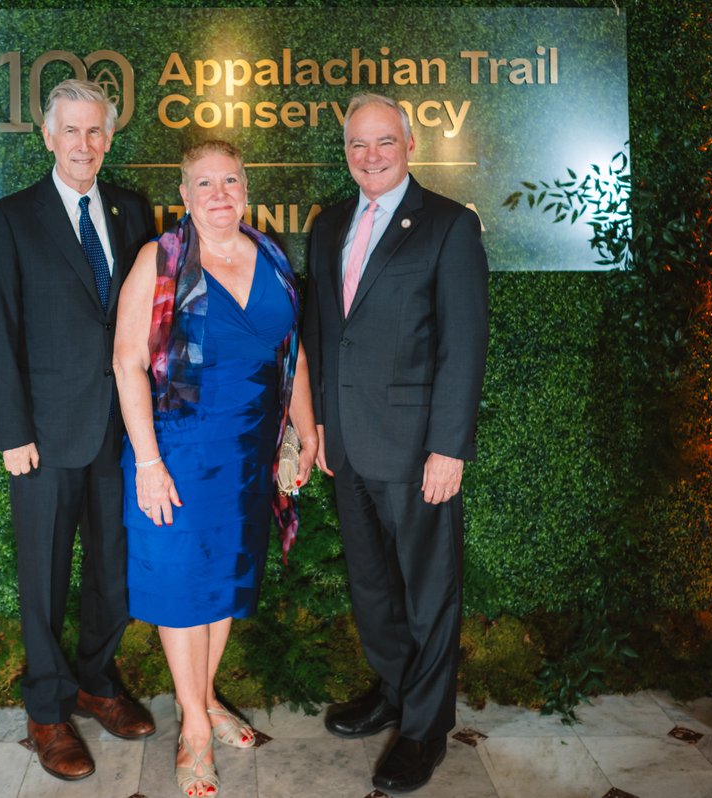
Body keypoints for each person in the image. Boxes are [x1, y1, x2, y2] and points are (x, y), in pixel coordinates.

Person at [113, 140, 317, 798]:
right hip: (175, 451)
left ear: (247, 189)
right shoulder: (161, 261)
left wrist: (304, 431)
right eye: (206, 183)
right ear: (185, 195)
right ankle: (195, 729)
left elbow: (295, 353)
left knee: (223, 582)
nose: (220, 193)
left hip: (247, 455)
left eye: (231, 180)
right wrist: (147, 459)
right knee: (179, 586)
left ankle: (198, 701)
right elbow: (126, 363)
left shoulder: (273, 259)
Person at [303, 93, 489, 793]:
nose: (370, 156)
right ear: (345, 151)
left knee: (429, 590)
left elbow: (464, 344)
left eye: (383, 142)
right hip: (346, 443)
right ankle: (393, 688)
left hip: (417, 450)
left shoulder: (447, 226)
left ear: (409, 143)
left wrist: (450, 447)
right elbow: (323, 333)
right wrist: (317, 424)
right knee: (372, 585)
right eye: (357, 144)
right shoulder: (328, 227)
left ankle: (424, 729)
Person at [0, 78, 157, 782]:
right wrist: (11, 430)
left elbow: (150, 320)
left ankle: (95, 681)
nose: (84, 144)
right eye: (70, 131)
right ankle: (47, 710)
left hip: (123, 429)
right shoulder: (12, 220)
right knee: (45, 575)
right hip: (44, 435)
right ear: (48, 137)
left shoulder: (131, 209)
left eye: (95, 132)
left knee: (114, 566)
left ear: (108, 139)